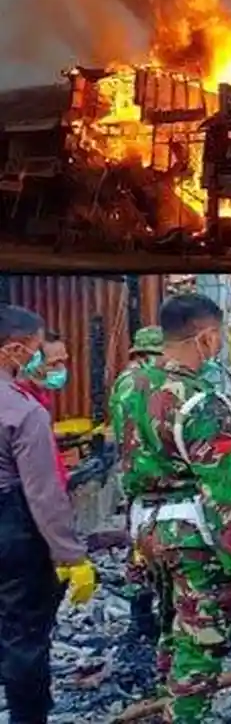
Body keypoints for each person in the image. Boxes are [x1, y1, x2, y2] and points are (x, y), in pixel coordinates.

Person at [112, 294, 231, 724]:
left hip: (147, 528)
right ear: (207, 336)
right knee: (201, 641)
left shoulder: (128, 386)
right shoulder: (202, 402)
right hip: (191, 536)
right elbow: (224, 492)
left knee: (171, 627)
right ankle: (184, 716)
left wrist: (135, 545)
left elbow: (126, 467)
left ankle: (168, 706)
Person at [0, 305, 95, 724]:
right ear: (15, 350)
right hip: (11, 524)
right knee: (23, 635)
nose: (41, 361)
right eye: (39, 351)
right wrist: (71, 556)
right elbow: (44, 494)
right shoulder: (23, 411)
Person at [111, 326, 173, 648]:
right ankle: (163, 621)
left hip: (134, 483)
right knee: (160, 552)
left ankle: (140, 617)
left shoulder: (123, 382)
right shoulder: (150, 384)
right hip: (157, 484)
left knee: (137, 547)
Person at [14, 329, 71, 490]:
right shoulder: (18, 404)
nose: (61, 369)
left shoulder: (38, 397)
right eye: (54, 363)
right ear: (33, 362)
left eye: (63, 362)